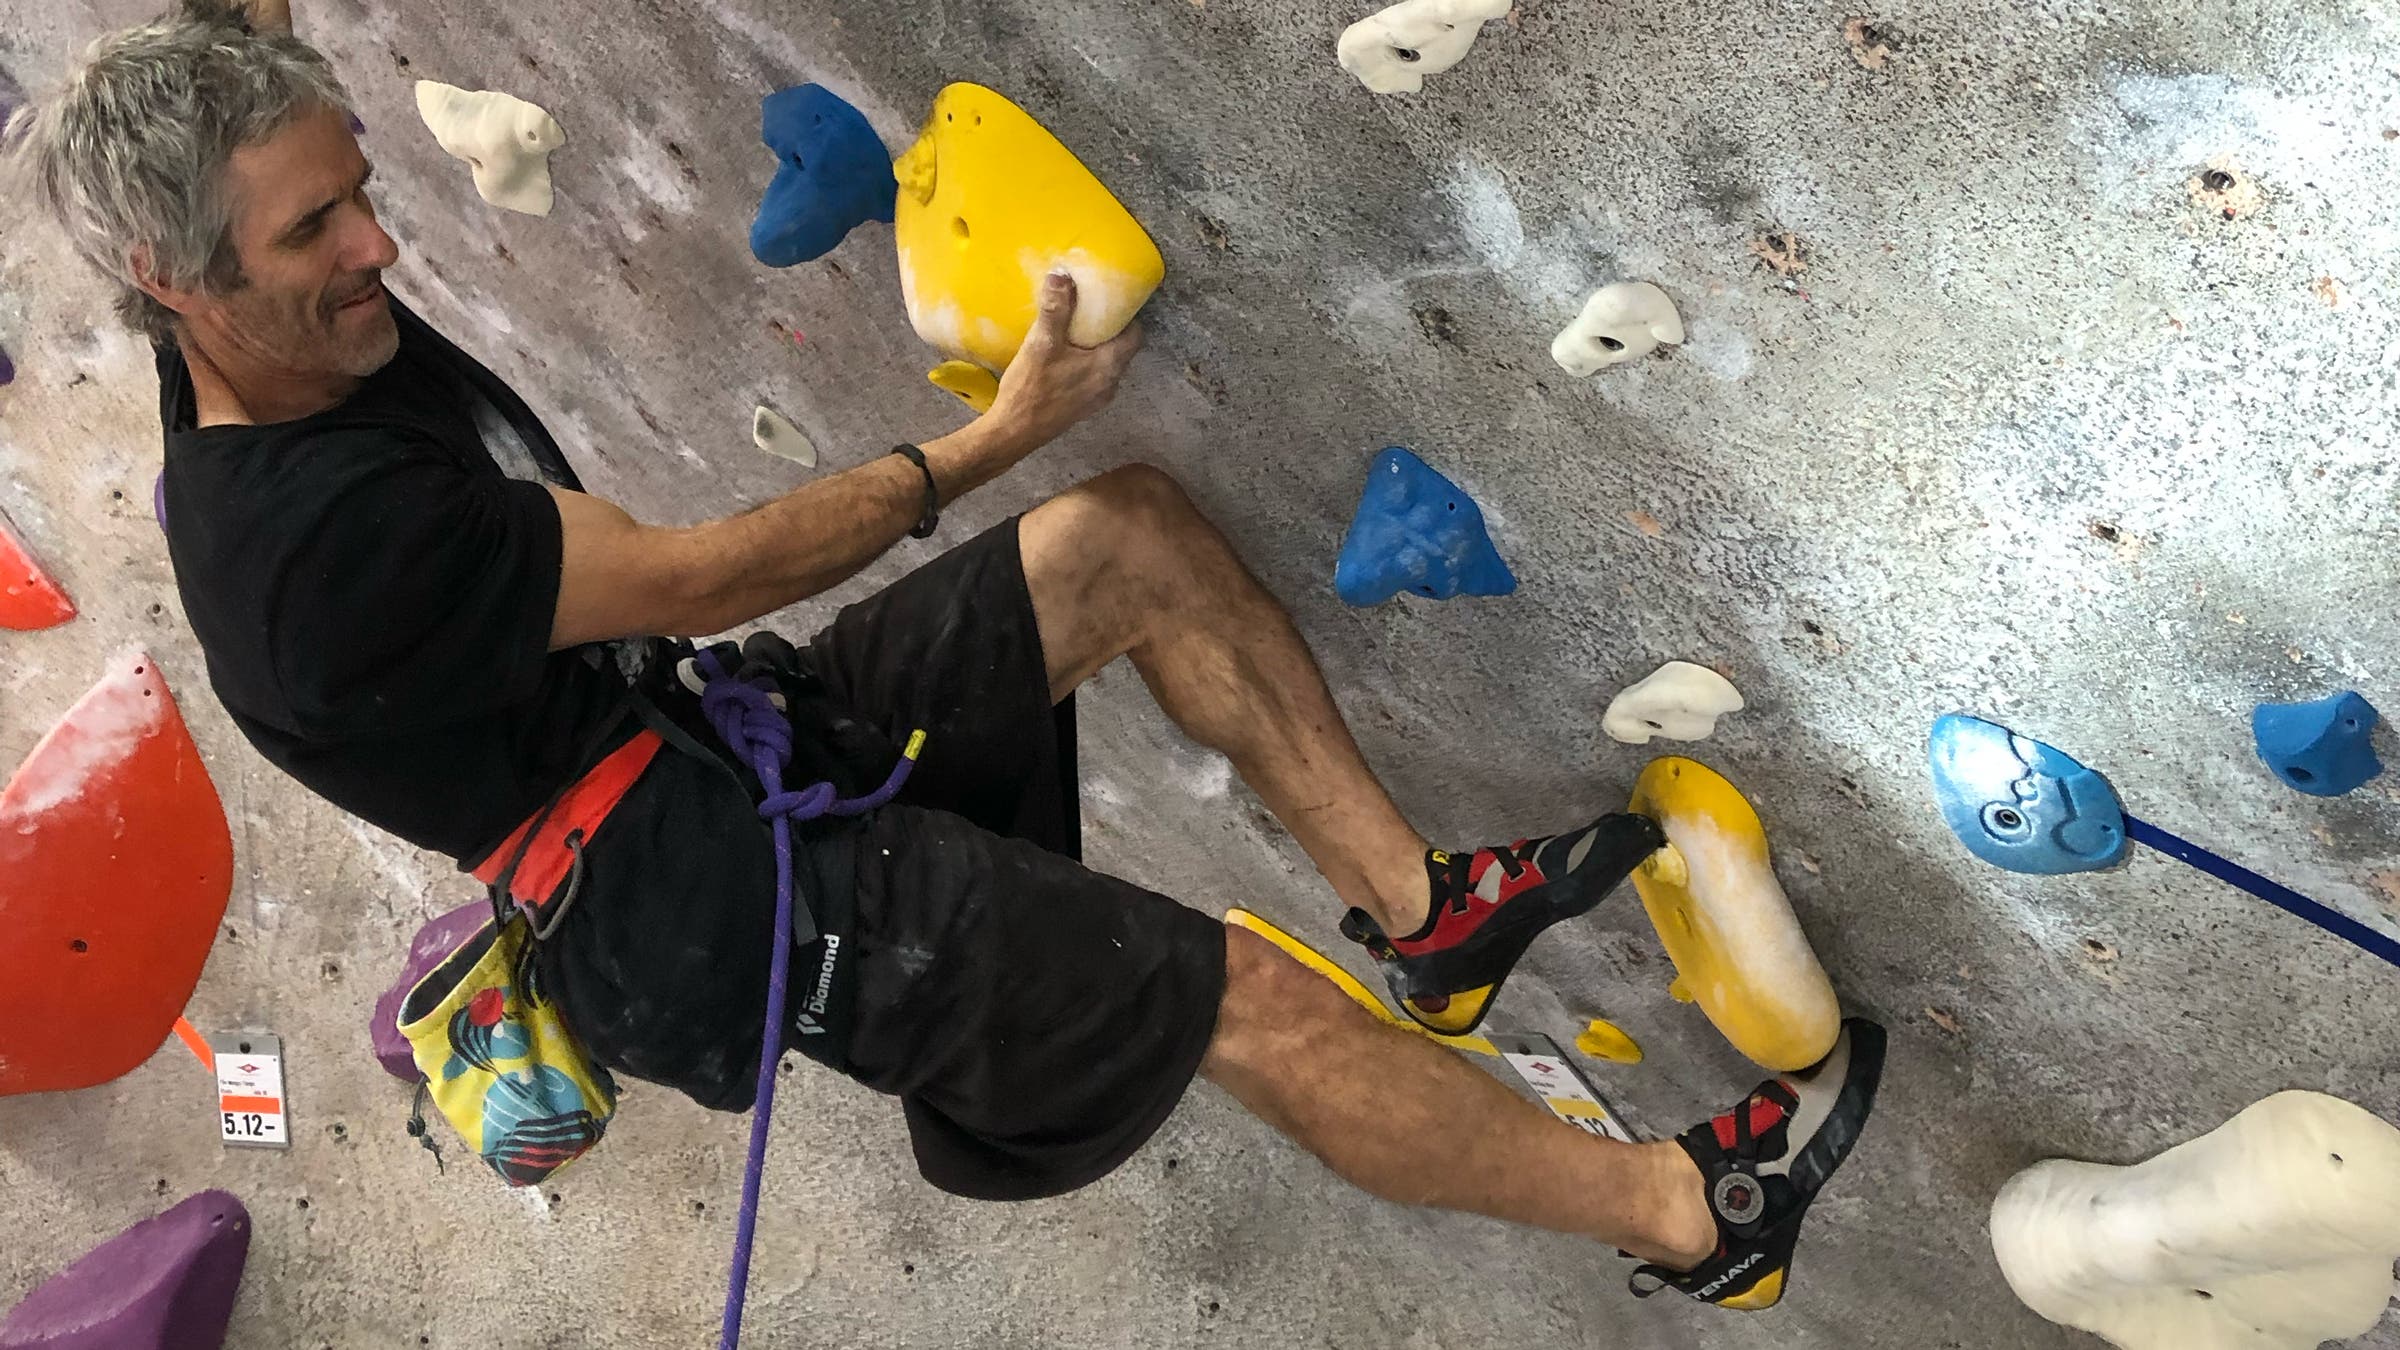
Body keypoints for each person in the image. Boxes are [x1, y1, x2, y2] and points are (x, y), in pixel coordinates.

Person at [10, 0, 1884, 1310]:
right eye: (318, 227)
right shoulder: (315, 551)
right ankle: (1697, 1212)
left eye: (356, 185)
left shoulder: (251, 294)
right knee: (1227, 995)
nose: (380, 243)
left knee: (1126, 543)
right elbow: (690, 571)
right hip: (675, 896)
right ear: (176, 283)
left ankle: (1432, 911)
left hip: (691, 745)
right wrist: (993, 438)